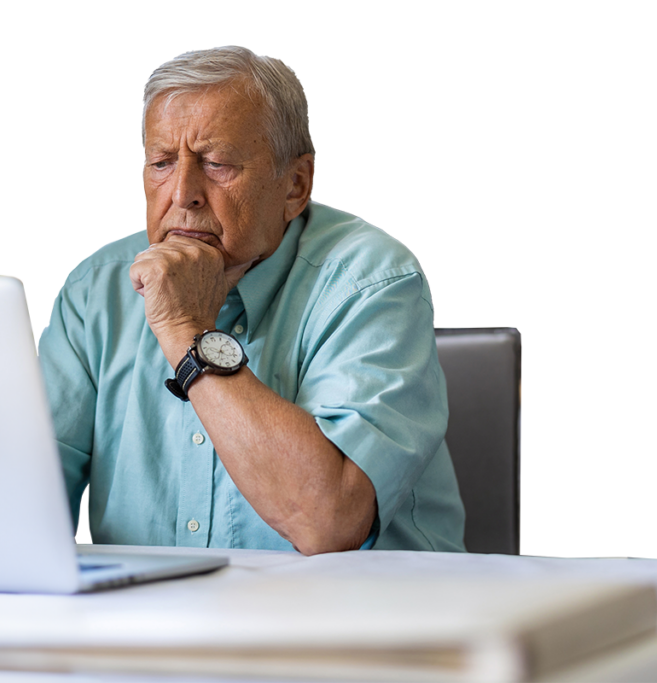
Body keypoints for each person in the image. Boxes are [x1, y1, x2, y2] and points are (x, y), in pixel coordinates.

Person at [37, 46, 465, 555]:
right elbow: (18, 504)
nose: (184, 194)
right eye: (162, 163)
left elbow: (327, 523)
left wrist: (186, 331)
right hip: (153, 624)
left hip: (359, 623)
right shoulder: (97, 288)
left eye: (217, 164)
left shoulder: (373, 281)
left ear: (296, 185)